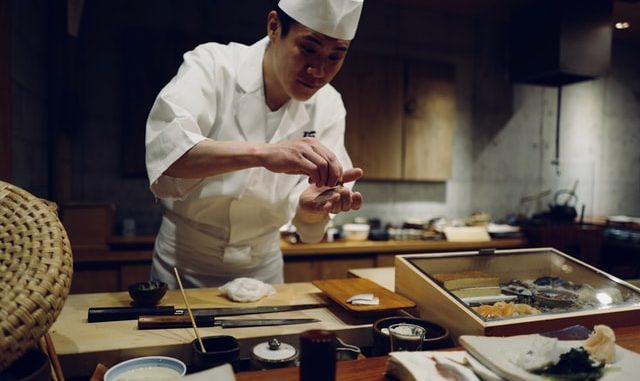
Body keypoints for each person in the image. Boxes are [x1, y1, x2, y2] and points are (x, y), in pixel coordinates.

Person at [145, 0, 365, 288]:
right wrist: (264, 153)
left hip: (263, 271)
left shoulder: (329, 105)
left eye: (335, 57)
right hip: (182, 264)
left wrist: (310, 210)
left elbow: (310, 216)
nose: (318, 71)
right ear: (274, 26)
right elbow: (168, 153)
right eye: (308, 49)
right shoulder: (214, 65)